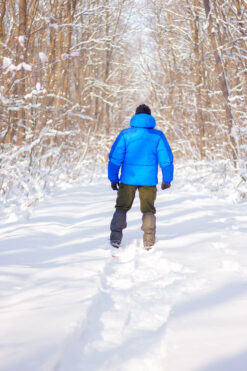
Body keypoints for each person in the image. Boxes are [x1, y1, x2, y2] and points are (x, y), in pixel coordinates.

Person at [108, 104, 173, 251]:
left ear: (135, 116)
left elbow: (115, 158)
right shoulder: (157, 135)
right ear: (150, 117)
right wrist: (167, 179)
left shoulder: (125, 134)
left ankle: (115, 239)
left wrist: (113, 178)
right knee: (148, 209)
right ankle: (149, 241)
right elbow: (166, 159)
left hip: (127, 180)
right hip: (149, 181)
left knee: (121, 208)